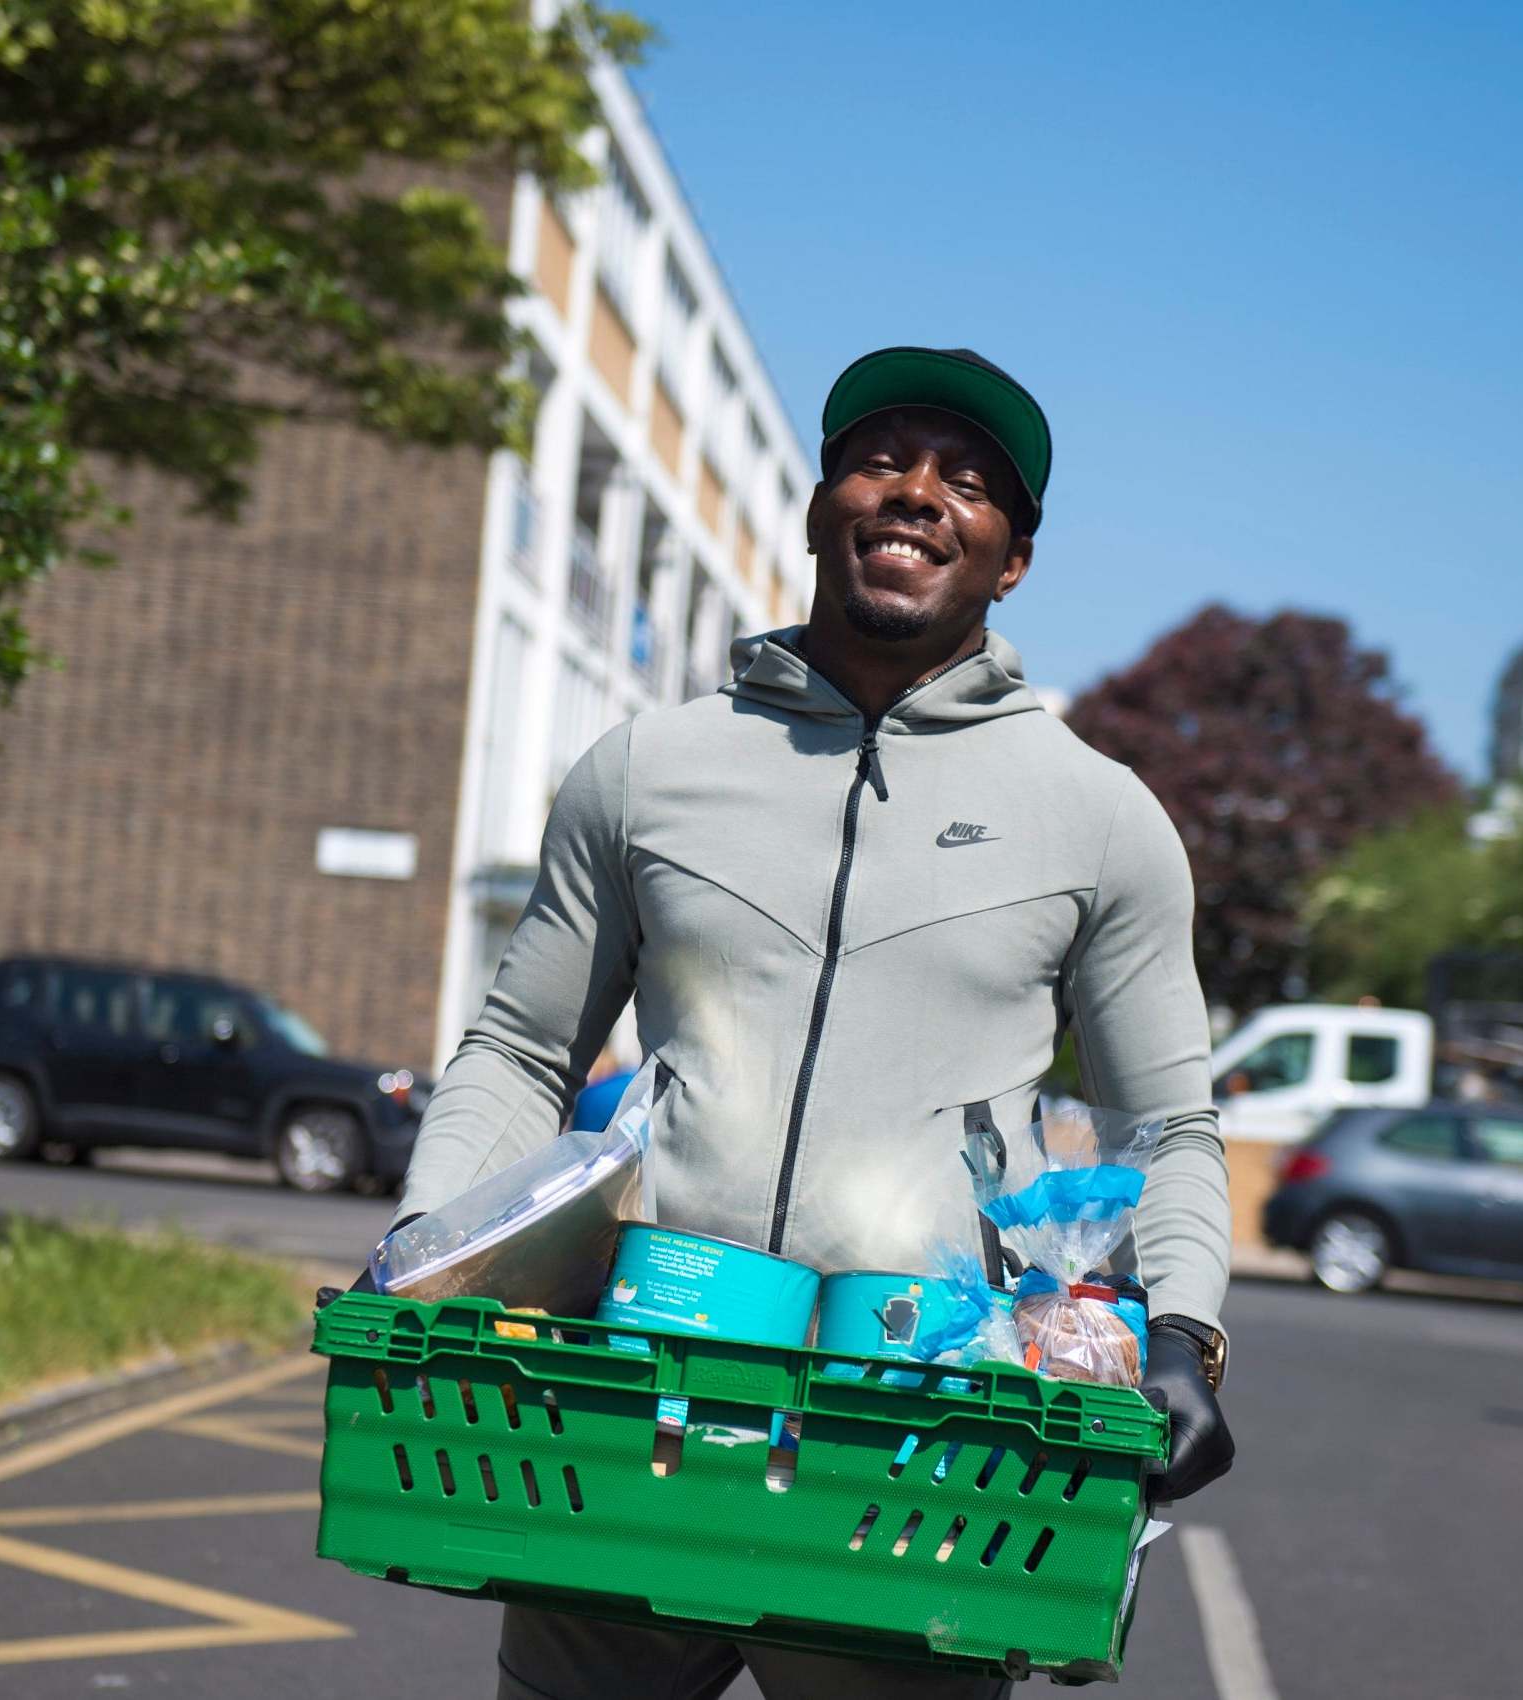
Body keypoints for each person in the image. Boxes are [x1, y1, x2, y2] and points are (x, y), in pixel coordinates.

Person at [396, 347, 1234, 1700]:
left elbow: (1167, 1126)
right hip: (629, 1424)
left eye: (969, 482)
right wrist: (426, 1250)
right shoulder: (646, 771)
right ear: (820, 500)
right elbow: (520, 1049)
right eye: (882, 457)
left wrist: (1186, 1337)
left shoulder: (1099, 819)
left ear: (1012, 557)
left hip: (917, 1465)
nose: (917, 495)